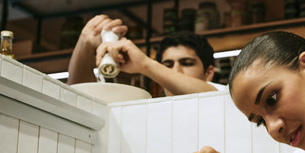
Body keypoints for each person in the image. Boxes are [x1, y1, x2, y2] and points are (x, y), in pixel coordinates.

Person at [67, 14, 222, 95]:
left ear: (209, 73)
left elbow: (213, 94)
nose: (175, 71)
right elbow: (80, 97)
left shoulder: (226, 99)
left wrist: (145, 64)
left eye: (187, 63)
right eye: (167, 65)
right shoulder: (147, 106)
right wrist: (84, 42)